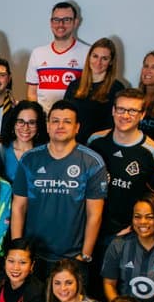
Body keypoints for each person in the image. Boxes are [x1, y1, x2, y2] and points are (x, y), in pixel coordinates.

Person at [10, 101, 107, 266]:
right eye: (55, 121)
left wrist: (85, 255)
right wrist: (18, 252)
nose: (60, 126)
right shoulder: (30, 159)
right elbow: (19, 207)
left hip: (71, 256)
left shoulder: (92, 162)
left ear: (77, 127)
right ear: (47, 126)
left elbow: (94, 215)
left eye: (67, 121)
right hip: (33, 254)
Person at [87, 89, 154, 242]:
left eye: (132, 111)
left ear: (142, 114)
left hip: (127, 234)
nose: (125, 116)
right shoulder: (95, 141)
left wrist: (134, 226)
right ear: (113, 110)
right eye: (121, 109)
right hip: (91, 226)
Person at [25, 2, 90, 112]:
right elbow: (32, 93)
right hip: (45, 123)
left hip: (75, 124)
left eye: (66, 20)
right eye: (56, 20)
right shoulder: (38, 53)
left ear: (76, 22)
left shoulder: (88, 53)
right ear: (51, 22)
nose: (61, 24)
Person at [63, 38, 124, 141]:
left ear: (111, 62)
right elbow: (64, 116)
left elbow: (117, 124)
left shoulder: (117, 88)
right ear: (89, 57)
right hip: (72, 144)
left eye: (104, 58)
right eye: (95, 56)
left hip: (100, 145)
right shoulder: (74, 85)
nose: (98, 62)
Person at [0, 100, 47, 182]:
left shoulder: (46, 152)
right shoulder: (0, 150)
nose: (25, 128)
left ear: (39, 125)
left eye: (32, 123)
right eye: (21, 122)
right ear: (13, 123)